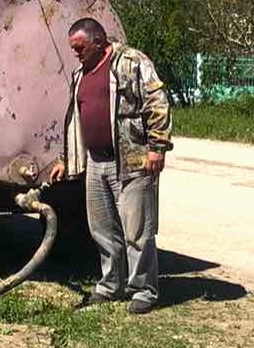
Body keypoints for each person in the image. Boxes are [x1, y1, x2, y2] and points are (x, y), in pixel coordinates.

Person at [48, 18, 173, 315]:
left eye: (80, 48)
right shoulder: (80, 73)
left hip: (132, 162)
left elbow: (157, 102)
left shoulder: (132, 62)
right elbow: (75, 119)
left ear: (99, 42)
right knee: (102, 229)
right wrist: (67, 159)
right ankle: (110, 285)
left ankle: (143, 289)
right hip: (95, 163)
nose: (75, 54)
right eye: (73, 49)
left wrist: (157, 147)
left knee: (137, 230)